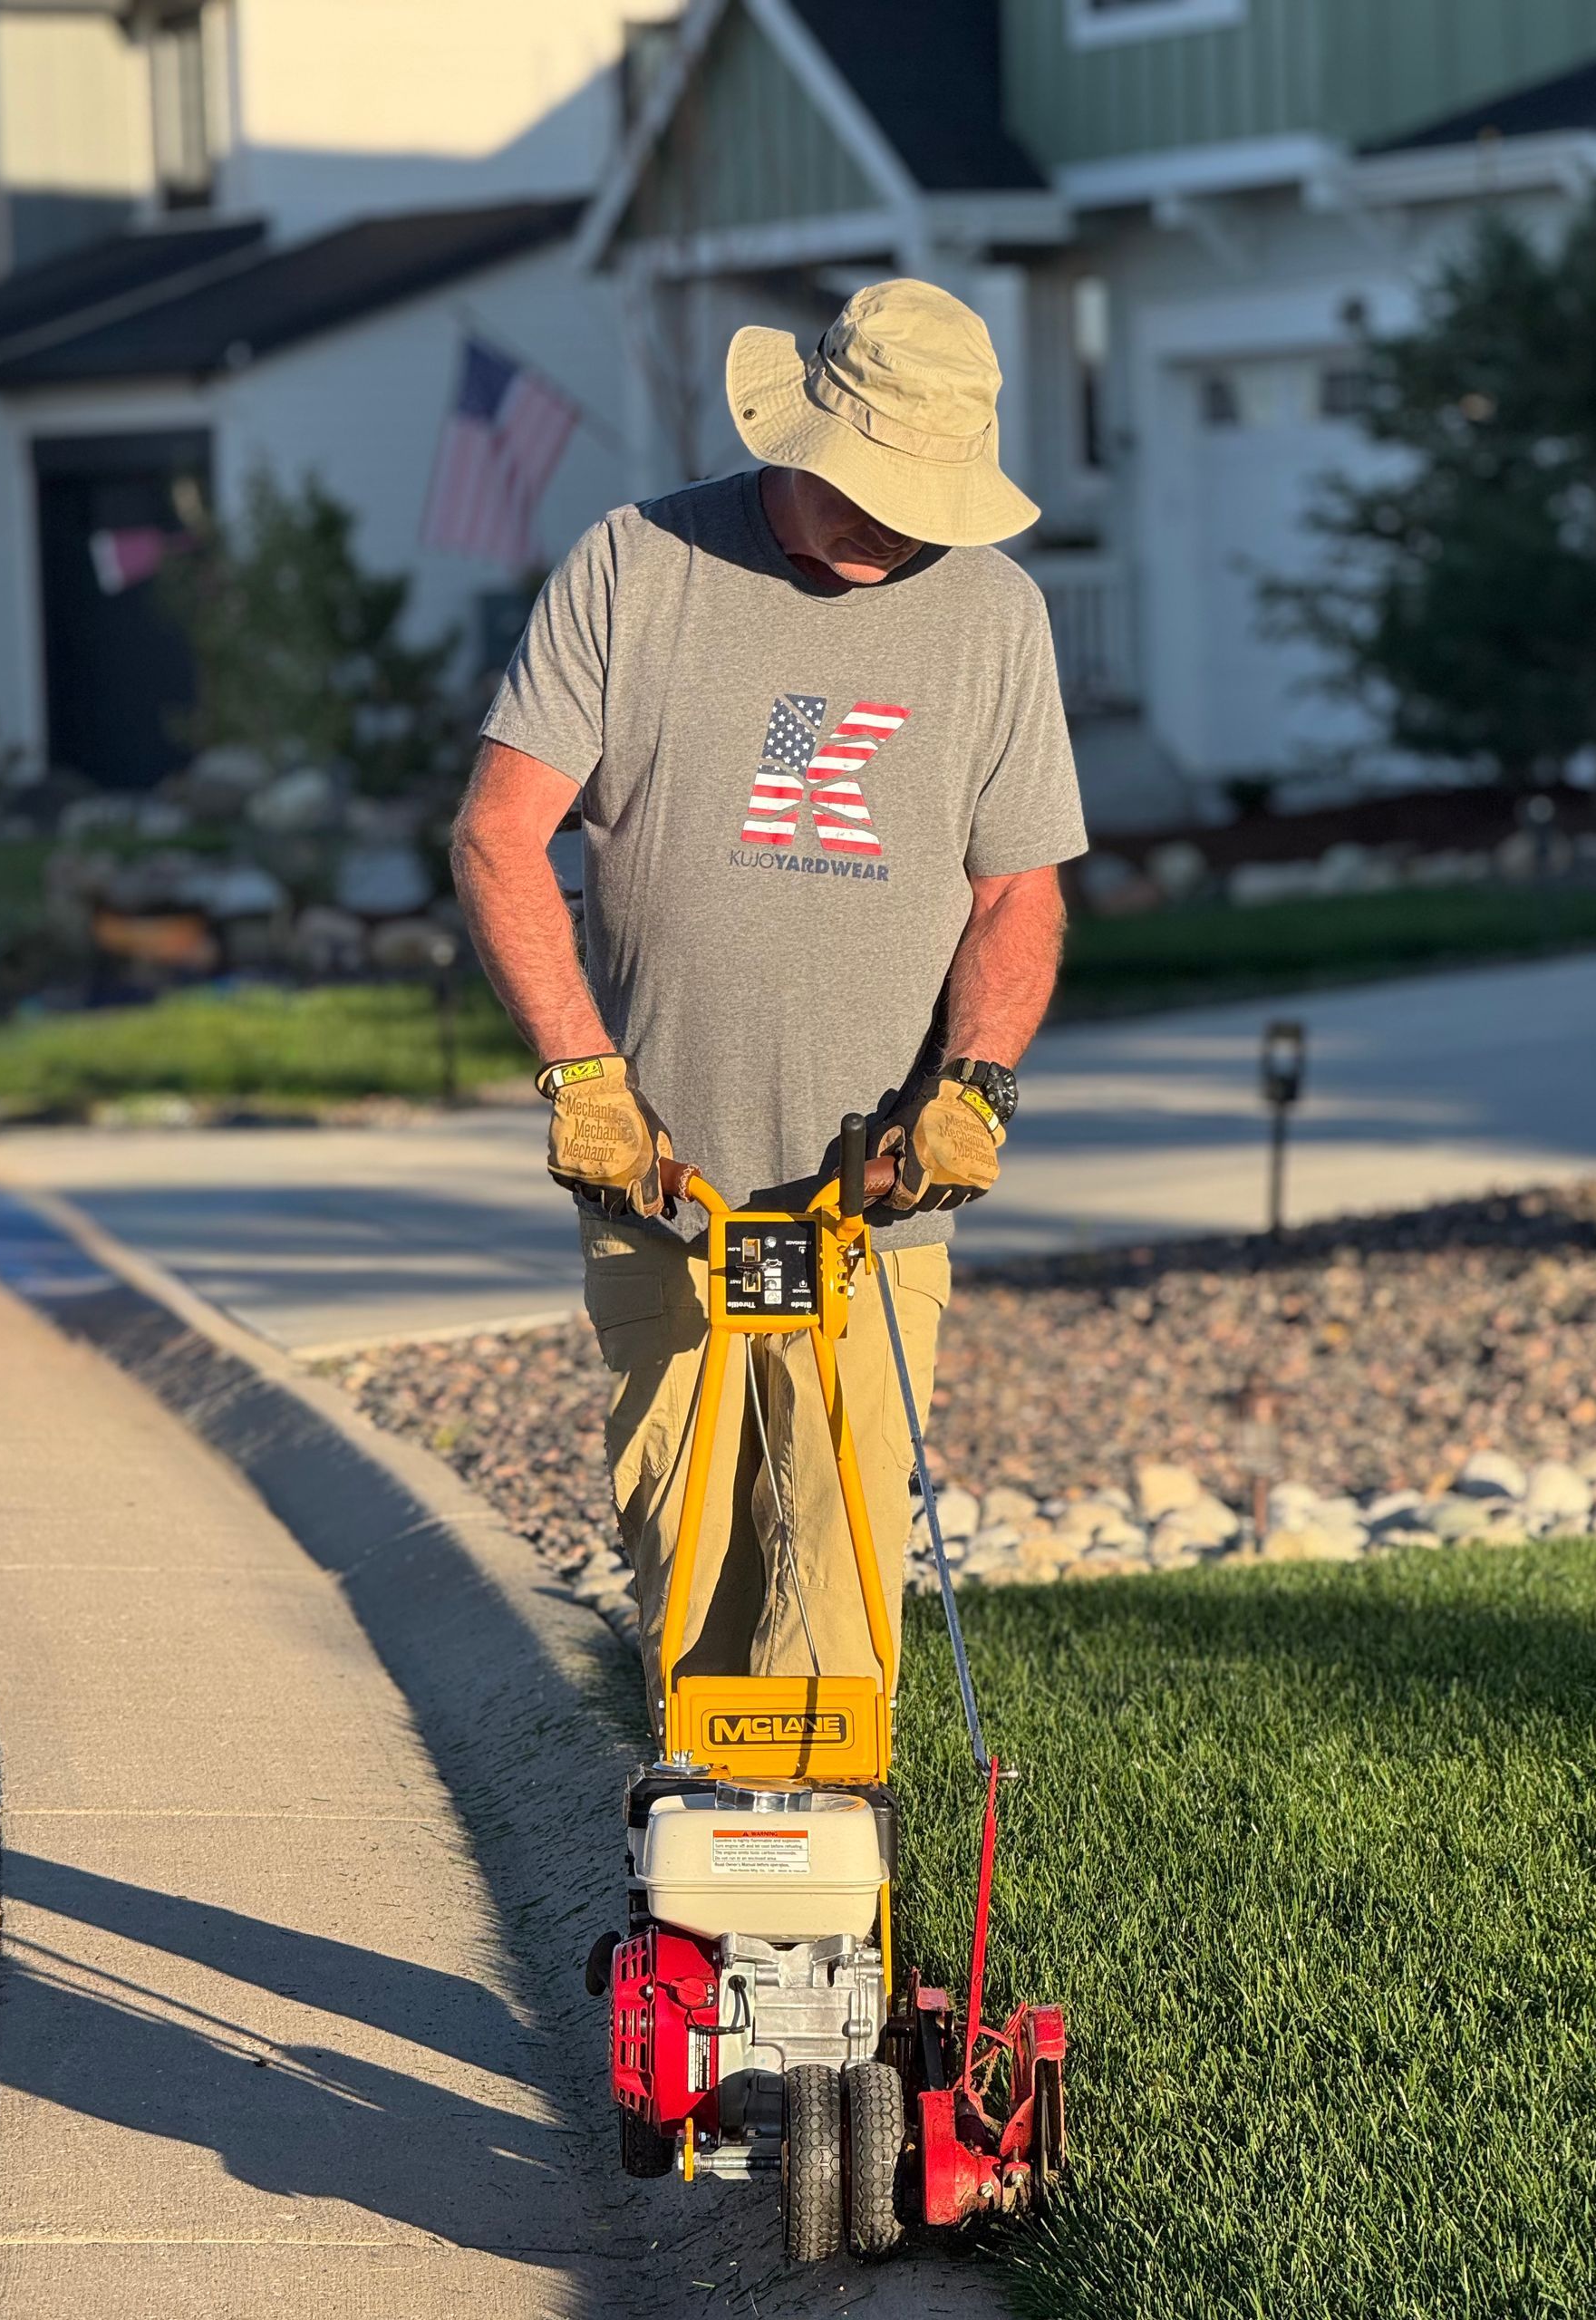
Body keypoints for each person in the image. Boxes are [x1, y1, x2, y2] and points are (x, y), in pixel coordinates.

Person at [451, 278, 1088, 1735]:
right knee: (697, 1586)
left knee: (846, 1590)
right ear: (802, 435)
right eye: (873, 485)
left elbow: (1017, 895)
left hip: (878, 1205)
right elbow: (500, 835)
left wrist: (975, 1082)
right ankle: (702, 1918)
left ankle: (826, 1923)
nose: (898, 521)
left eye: (928, 494)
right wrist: (581, 1082)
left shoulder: (994, 612)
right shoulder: (637, 565)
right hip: (665, 1185)